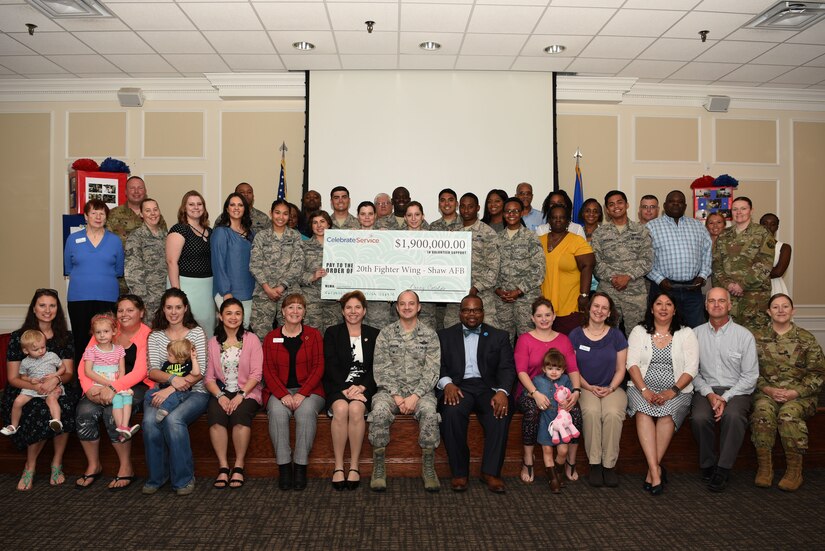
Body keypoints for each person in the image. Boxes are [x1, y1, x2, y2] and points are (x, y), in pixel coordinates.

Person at [437, 295, 515, 493]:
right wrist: (447, 384)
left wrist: (502, 391)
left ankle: (490, 472)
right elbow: (437, 366)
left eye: (476, 310)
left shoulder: (499, 336)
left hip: (487, 388)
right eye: (467, 310)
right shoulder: (444, 336)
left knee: (500, 412)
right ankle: (460, 472)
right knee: (452, 412)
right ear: (460, 312)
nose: (472, 314)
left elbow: (507, 368)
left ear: (483, 312)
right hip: (458, 386)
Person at [1, 289, 77, 490]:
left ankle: (56, 463)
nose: (47, 310)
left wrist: (57, 380)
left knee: (66, 404)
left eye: (52, 305)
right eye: (42, 305)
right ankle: (30, 466)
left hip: (57, 386)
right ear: (34, 309)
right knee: (36, 409)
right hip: (26, 388)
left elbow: (68, 372)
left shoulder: (65, 337)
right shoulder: (20, 337)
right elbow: (13, 378)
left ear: (57, 309)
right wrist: (38, 387)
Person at [76, 294, 153, 490]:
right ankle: (94, 465)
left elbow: (140, 371)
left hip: (136, 385)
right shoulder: (104, 330)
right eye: (121, 310)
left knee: (112, 413)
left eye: (130, 310)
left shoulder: (147, 334)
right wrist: (90, 389)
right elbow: (84, 366)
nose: (124, 314)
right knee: (84, 412)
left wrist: (113, 388)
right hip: (98, 384)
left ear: (141, 312)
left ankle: (126, 467)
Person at [626, 292, 698, 496]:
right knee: (642, 410)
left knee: (667, 412)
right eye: (659, 304)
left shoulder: (686, 333)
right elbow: (631, 364)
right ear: (651, 308)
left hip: (677, 391)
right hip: (641, 388)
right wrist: (645, 390)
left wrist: (671, 391)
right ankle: (656, 470)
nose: (663, 308)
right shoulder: (639, 331)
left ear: (675, 310)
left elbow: (691, 368)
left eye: (668, 304)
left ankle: (652, 471)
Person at [751, 293, 825, 492]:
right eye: (775, 307)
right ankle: (765, 468)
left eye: (785, 306)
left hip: (800, 396)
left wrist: (795, 392)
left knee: (788, 415)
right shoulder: (757, 339)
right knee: (762, 412)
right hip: (767, 392)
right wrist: (767, 388)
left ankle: (794, 471)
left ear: (793, 311)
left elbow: (818, 374)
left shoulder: (806, 338)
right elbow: (749, 371)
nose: (781, 310)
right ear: (768, 312)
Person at [369, 290, 441, 492]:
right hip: (390, 392)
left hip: (422, 392)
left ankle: (428, 466)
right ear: (397, 307)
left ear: (419, 307)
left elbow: (432, 370)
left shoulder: (430, 335)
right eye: (402, 304)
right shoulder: (385, 334)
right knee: (379, 411)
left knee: (429, 412)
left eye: (411, 303)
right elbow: (381, 368)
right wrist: (397, 396)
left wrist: (416, 396)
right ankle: (379, 465)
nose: (407, 307)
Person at [142, 288, 210, 496]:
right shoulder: (155, 336)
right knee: (150, 422)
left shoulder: (196, 332)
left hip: (195, 391)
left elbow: (200, 372)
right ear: (163, 309)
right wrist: (171, 380)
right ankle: (157, 476)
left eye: (178, 307)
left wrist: (173, 387)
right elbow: (152, 370)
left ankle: (184, 479)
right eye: (169, 307)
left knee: (174, 420)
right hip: (162, 390)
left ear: (185, 309)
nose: (173, 312)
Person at [691, 288, 758, 492]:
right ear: (706, 306)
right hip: (706, 389)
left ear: (730, 305)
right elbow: (691, 372)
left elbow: (750, 376)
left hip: (737, 389)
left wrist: (725, 397)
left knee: (734, 416)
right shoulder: (695, 334)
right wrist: (710, 395)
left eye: (722, 301)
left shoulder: (744, 336)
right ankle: (708, 464)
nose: (717, 305)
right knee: (700, 418)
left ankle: (723, 468)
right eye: (712, 301)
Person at [262, 293, 325, 491]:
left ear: (304, 312)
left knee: (305, 412)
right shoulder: (271, 337)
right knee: (278, 412)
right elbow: (268, 371)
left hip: (310, 390)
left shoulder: (313, 335)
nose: (295, 311)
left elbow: (318, 367)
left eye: (299, 307)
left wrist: (301, 393)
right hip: (279, 390)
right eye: (290, 307)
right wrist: (283, 395)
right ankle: (284, 468)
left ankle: (300, 466)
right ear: (282, 311)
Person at [515, 298, 581, 484]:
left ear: (553, 317)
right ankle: (528, 459)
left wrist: (576, 391)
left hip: (561, 391)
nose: (543, 319)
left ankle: (570, 460)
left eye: (547, 315)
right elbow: (521, 371)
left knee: (575, 411)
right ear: (532, 318)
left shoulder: (564, 340)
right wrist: (535, 393)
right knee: (531, 411)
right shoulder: (525, 339)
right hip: (530, 391)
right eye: (539, 316)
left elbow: (573, 368)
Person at [568, 293, 628, 487]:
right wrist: (587, 386)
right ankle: (595, 464)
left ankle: (609, 465)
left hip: (612, 388)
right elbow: (572, 368)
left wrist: (610, 388)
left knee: (612, 413)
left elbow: (621, 369)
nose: (599, 311)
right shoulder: (576, 334)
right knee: (591, 412)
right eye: (596, 306)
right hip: (584, 387)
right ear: (589, 308)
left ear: (609, 312)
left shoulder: (617, 335)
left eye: (604, 308)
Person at [323, 291, 379, 490]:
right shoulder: (332, 333)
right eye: (348, 308)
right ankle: (339, 466)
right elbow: (330, 365)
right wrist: (346, 389)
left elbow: (377, 366)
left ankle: (354, 466)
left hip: (364, 387)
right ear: (342, 311)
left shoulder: (374, 334)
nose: (353, 311)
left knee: (355, 410)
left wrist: (362, 387)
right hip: (338, 387)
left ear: (364, 311)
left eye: (357, 307)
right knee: (340, 410)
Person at [205, 299, 263, 490]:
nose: (233, 317)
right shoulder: (212, 343)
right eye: (228, 313)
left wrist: (241, 395)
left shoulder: (251, 339)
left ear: (243, 316)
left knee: (240, 414)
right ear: (220, 316)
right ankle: (223, 466)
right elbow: (209, 378)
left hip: (248, 392)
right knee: (215, 414)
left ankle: (239, 465)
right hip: (221, 391)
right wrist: (220, 396)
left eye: (238, 313)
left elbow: (256, 374)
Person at [64, 198, 124, 367]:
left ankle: (106, 380)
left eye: (102, 213)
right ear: (85, 216)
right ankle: (81, 385)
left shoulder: (115, 241)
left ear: (106, 217)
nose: (98, 217)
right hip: (79, 298)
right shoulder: (73, 239)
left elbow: (119, 270)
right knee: (81, 341)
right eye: (94, 213)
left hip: (108, 297)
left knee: (106, 342)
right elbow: (68, 268)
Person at [646, 190, 711, 328]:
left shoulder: (698, 226)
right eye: (672, 201)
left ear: (685, 206)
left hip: (692, 288)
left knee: (697, 329)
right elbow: (645, 259)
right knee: (663, 328)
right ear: (664, 205)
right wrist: (659, 279)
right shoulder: (651, 227)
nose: (676, 204)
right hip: (663, 288)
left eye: (680, 202)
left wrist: (702, 276)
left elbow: (707, 254)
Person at [591, 190, 653, 336]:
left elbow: (647, 259)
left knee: (637, 336)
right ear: (607, 209)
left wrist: (628, 276)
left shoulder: (641, 230)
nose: (616, 207)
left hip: (635, 292)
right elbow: (596, 262)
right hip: (608, 292)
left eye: (619, 202)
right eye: (611, 204)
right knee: (606, 335)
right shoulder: (599, 233)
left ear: (627, 205)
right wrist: (613, 278)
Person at [713, 197, 776, 332]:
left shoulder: (763, 233)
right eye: (735, 209)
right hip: (728, 295)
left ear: (751, 210)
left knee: (756, 338)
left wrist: (742, 285)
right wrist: (728, 284)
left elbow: (765, 264)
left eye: (743, 208)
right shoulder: (724, 235)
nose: (739, 212)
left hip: (754, 296)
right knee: (728, 336)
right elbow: (716, 264)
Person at [249, 198, 305, 339]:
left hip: (289, 293)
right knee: (261, 335)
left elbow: (298, 265)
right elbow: (254, 265)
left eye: (285, 214)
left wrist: (281, 287)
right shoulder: (261, 236)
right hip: (263, 293)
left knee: (289, 335)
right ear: (271, 213)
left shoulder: (295, 236)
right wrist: (267, 288)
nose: (281, 217)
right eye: (277, 213)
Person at [443, 193, 500, 329]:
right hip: (455, 300)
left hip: (482, 298)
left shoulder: (488, 233)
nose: (466, 210)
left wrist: (476, 288)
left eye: (470, 206)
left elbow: (494, 268)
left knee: (488, 340)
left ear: (478, 208)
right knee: (452, 337)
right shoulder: (451, 233)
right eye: (462, 206)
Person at [494, 197, 545, 343]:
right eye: (508, 211)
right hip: (502, 300)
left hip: (526, 300)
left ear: (522, 213)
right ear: (503, 214)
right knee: (503, 342)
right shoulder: (497, 239)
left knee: (528, 340)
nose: (511, 214)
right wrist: (498, 290)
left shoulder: (531, 237)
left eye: (516, 211)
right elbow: (492, 268)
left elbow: (539, 270)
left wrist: (518, 291)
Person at [82, 313, 139, 441]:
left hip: (116, 384)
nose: (102, 335)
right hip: (100, 384)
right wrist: (109, 384)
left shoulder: (119, 350)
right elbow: (88, 372)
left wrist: (118, 385)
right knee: (118, 400)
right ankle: (122, 429)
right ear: (93, 333)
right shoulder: (91, 351)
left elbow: (122, 370)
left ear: (114, 332)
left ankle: (124, 428)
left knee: (128, 397)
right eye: (98, 332)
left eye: (106, 331)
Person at [166, 190, 215, 337]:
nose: (196, 207)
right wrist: (176, 293)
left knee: (206, 325)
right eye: (191, 204)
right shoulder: (179, 229)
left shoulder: (210, 231)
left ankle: (204, 359)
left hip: (207, 287)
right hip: (185, 285)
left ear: (204, 208)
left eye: (199, 204)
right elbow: (171, 261)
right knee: (185, 327)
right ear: (184, 208)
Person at [539, 204, 595, 334]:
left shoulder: (577, 241)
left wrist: (584, 295)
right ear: (549, 220)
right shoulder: (538, 241)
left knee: (569, 344)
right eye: (554, 217)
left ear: (568, 221)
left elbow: (588, 266)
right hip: (544, 305)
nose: (558, 220)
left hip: (570, 304)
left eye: (562, 217)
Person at [534, 349, 582, 493]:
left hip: (561, 420)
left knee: (563, 450)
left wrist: (569, 399)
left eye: (558, 369)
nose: (554, 372)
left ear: (563, 370)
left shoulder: (566, 380)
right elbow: (528, 394)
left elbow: (572, 394)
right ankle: (553, 480)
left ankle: (558, 473)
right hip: (546, 420)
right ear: (544, 369)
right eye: (550, 368)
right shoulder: (537, 380)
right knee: (547, 450)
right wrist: (537, 398)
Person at [1, 330, 66, 437]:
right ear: (26, 350)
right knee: (17, 401)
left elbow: (63, 367)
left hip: (51, 387)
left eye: (43, 347)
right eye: (36, 349)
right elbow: (23, 376)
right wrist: (30, 380)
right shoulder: (25, 362)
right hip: (33, 388)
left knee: (51, 399)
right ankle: (13, 426)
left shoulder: (51, 356)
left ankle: (56, 421)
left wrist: (55, 375)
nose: (41, 351)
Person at [211, 192, 256, 328]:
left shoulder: (251, 233)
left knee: (244, 332)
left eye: (240, 205)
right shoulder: (221, 232)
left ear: (245, 209)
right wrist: (226, 292)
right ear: (227, 209)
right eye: (232, 205)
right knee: (230, 332)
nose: (236, 208)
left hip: (249, 291)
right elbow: (218, 264)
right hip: (228, 292)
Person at [125, 197, 168, 323]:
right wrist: (142, 301)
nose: (153, 213)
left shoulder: (166, 235)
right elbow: (132, 271)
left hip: (166, 298)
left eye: (155, 209)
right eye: (148, 211)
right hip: (147, 300)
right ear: (141, 214)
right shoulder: (136, 236)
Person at [301, 210, 340, 335]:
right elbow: (295, 273)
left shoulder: (339, 245)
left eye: (322, 221)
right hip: (312, 299)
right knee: (312, 337)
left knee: (333, 338)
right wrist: (312, 276)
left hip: (334, 301)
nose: (319, 225)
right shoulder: (303, 246)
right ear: (311, 226)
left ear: (328, 224)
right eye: (315, 223)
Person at [145, 338, 201, 422]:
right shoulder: (166, 364)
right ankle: (165, 404)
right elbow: (161, 377)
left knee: (176, 396)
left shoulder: (188, 365)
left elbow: (196, 373)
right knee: (148, 394)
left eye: (170, 355)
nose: (167, 356)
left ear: (178, 357)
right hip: (163, 390)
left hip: (181, 391)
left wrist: (194, 359)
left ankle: (165, 409)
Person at [107, 175, 167, 247]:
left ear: (145, 191)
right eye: (132, 188)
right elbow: (106, 242)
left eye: (140, 188)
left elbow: (165, 241)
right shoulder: (112, 214)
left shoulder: (155, 216)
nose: (136, 191)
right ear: (126, 191)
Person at [759, 212, 791, 297]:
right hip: (751, 288)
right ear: (759, 226)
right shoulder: (751, 246)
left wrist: (752, 272)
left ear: (777, 227)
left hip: (774, 286)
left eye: (772, 224)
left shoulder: (784, 247)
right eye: (764, 224)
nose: (768, 227)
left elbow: (778, 272)